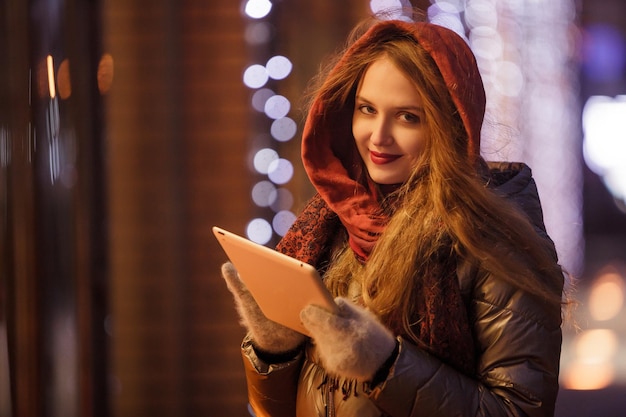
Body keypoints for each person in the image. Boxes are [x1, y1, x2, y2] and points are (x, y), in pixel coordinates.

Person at [221, 13, 567, 417]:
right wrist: (272, 349)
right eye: (367, 109)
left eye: (408, 117)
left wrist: (386, 365)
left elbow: (519, 411)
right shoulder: (332, 224)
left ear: (450, 125)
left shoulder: (495, 242)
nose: (379, 136)